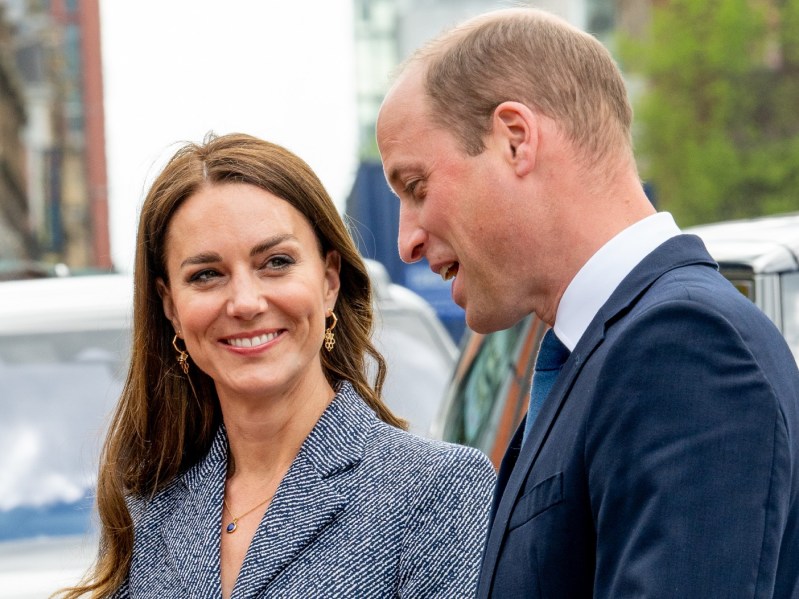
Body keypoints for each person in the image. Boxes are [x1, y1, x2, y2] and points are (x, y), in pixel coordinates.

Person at [376, 8, 799, 598]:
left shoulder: (684, 346)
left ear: (515, 139)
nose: (407, 240)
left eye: (417, 187)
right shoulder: (607, 351)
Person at [58, 132, 495, 599]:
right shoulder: (147, 509)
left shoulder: (437, 488)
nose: (245, 302)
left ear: (329, 280)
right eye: (207, 275)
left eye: (276, 262)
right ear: (171, 307)